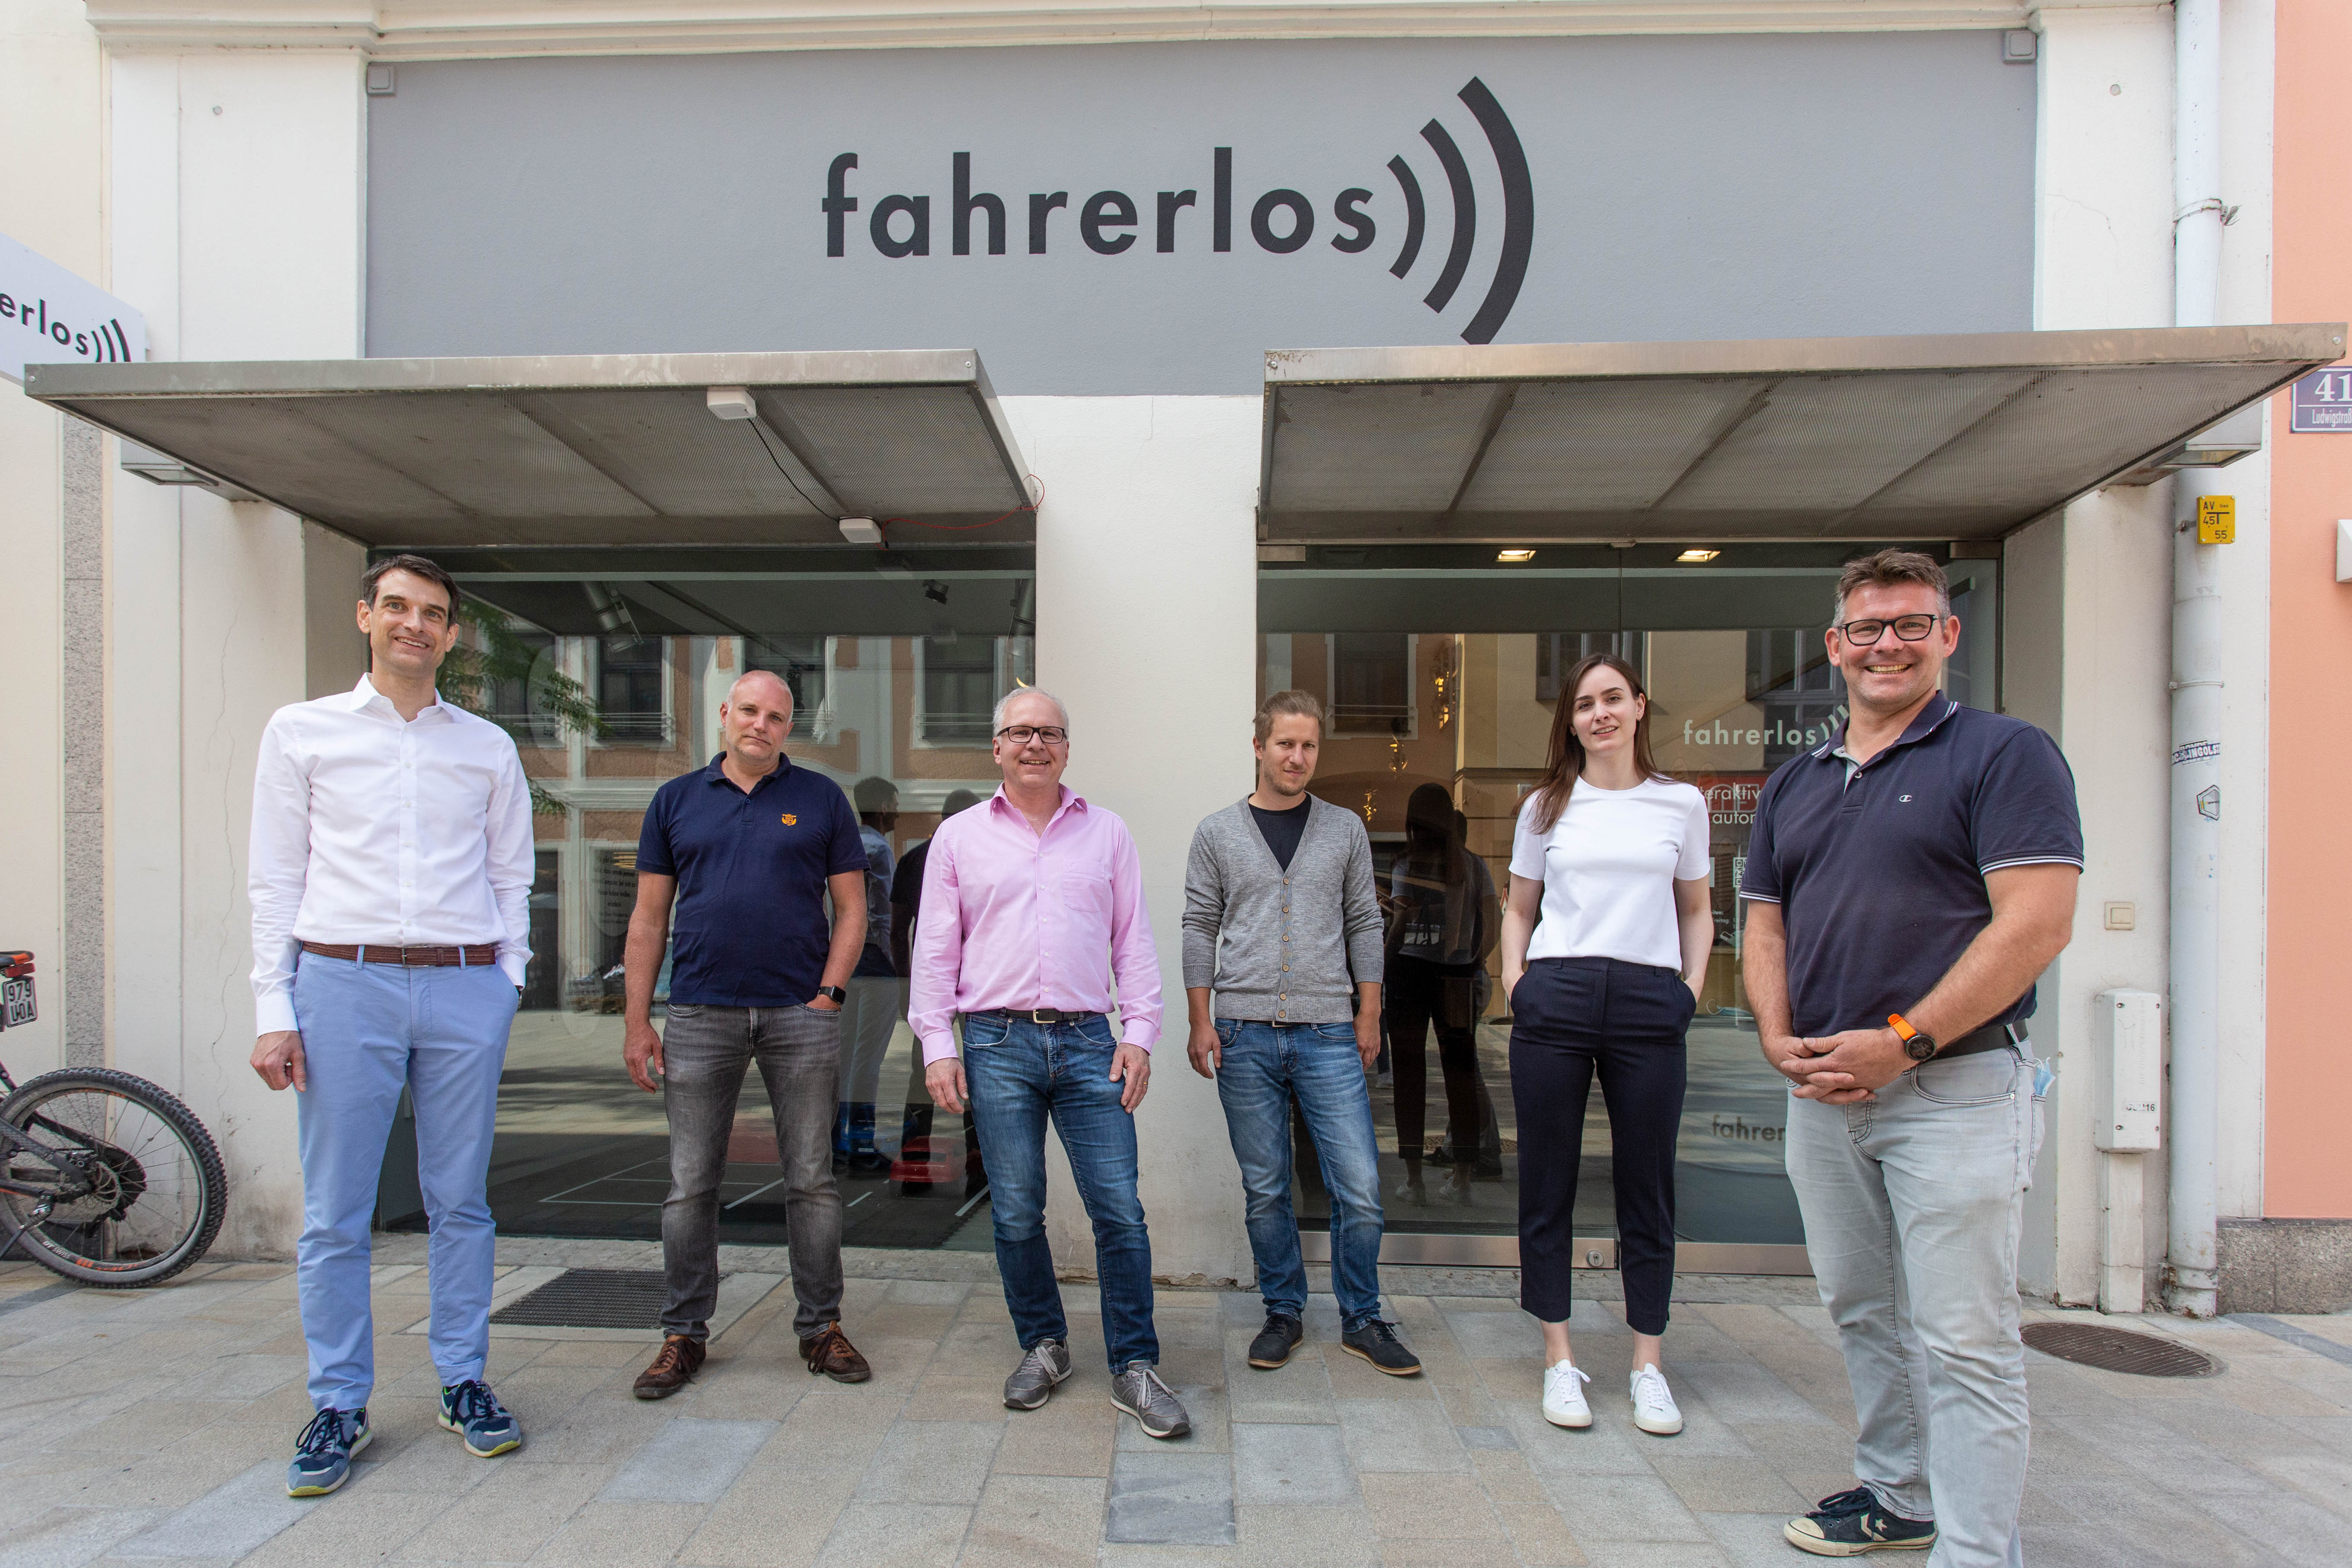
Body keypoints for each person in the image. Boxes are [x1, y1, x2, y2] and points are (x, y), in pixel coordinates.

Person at [1741, 549, 2080, 1564]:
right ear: (1834, 644)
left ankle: (1976, 1549)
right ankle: (1898, 1493)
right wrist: (1774, 1035)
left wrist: (1904, 1041)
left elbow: (2035, 923)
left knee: (1966, 1338)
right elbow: (1765, 925)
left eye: (1909, 623)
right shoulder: (1796, 780)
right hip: (1823, 1094)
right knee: (1861, 1308)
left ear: (1947, 634)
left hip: (1954, 1088)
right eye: (1866, 627)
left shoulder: (2004, 754)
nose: (1885, 643)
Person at [248, 555, 532, 1498]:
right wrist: (274, 1007)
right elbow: (275, 878)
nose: (416, 623)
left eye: (434, 612)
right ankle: (339, 1400)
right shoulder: (301, 730)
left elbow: (511, 874)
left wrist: (507, 980)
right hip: (342, 979)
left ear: (452, 634)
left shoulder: (486, 746)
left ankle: (462, 1380)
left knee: (462, 1200)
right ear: (366, 615)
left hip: (464, 984)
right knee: (336, 1209)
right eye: (399, 606)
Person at [908, 689, 1190, 1439]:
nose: (1035, 743)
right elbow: (934, 949)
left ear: (1066, 747)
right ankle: (1043, 1344)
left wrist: (1139, 1033)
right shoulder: (958, 838)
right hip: (994, 1043)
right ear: (996, 746)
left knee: (1118, 1209)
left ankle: (1134, 1363)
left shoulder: (1107, 833)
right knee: (1014, 1208)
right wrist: (938, 1045)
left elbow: (1132, 940)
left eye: (1050, 732)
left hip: (1090, 1042)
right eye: (1020, 731)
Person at [621, 669, 874, 1399]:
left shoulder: (821, 798)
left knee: (812, 1180)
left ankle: (820, 1325)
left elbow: (852, 909)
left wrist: (829, 992)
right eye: (750, 711)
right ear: (724, 714)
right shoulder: (675, 801)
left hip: (801, 1015)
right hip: (700, 1012)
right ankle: (683, 1333)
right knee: (689, 1183)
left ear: (789, 727)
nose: (761, 725)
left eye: (776, 716)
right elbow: (648, 918)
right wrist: (637, 1020)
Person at [1500, 653, 1714, 1439]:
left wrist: (1687, 991)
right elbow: (1518, 907)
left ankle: (1647, 1364)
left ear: (1638, 706)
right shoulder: (1544, 805)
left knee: (1646, 1184)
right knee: (1546, 1180)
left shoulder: (1680, 802)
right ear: (1570, 719)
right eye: (1585, 703)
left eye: (1612, 698)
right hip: (1555, 993)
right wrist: (1517, 984)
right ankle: (1558, 1356)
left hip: (1647, 999)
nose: (1600, 714)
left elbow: (1696, 908)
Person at [1183, 690, 1418, 1377]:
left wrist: (1367, 1013)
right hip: (1243, 1033)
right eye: (1285, 743)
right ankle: (1282, 1310)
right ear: (1259, 746)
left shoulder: (1343, 829)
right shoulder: (1216, 833)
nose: (1297, 757)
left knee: (1359, 1186)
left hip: (1327, 1032)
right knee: (1266, 1188)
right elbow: (1198, 924)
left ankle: (1362, 1316)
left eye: (1308, 745)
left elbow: (1364, 921)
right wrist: (1200, 1019)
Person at [1383, 782, 1499, 1205]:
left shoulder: (1406, 863)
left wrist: (1380, 964)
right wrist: (1471, 959)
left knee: (1408, 1076)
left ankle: (1414, 1179)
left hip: (1408, 973)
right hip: (1456, 975)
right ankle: (1463, 1178)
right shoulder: (1473, 864)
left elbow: (1400, 924)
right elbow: (1493, 922)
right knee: (1461, 1076)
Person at [891, 788, 984, 1193]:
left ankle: (916, 1169)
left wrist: (905, 982)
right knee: (975, 1075)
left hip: (957, 986)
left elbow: (897, 931)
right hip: (964, 985)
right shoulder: (925, 859)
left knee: (923, 1075)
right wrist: (907, 984)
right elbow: (897, 929)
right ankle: (976, 1170)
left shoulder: (915, 858)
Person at [834, 775, 902, 1172]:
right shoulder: (879, 849)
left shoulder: (848, 844)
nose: (897, 813)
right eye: (896, 805)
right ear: (884, 807)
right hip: (876, 963)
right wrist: (899, 968)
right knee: (868, 1056)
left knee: (844, 1054)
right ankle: (861, 1143)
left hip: (845, 963)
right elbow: (883, 916)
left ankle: (834, 1141)